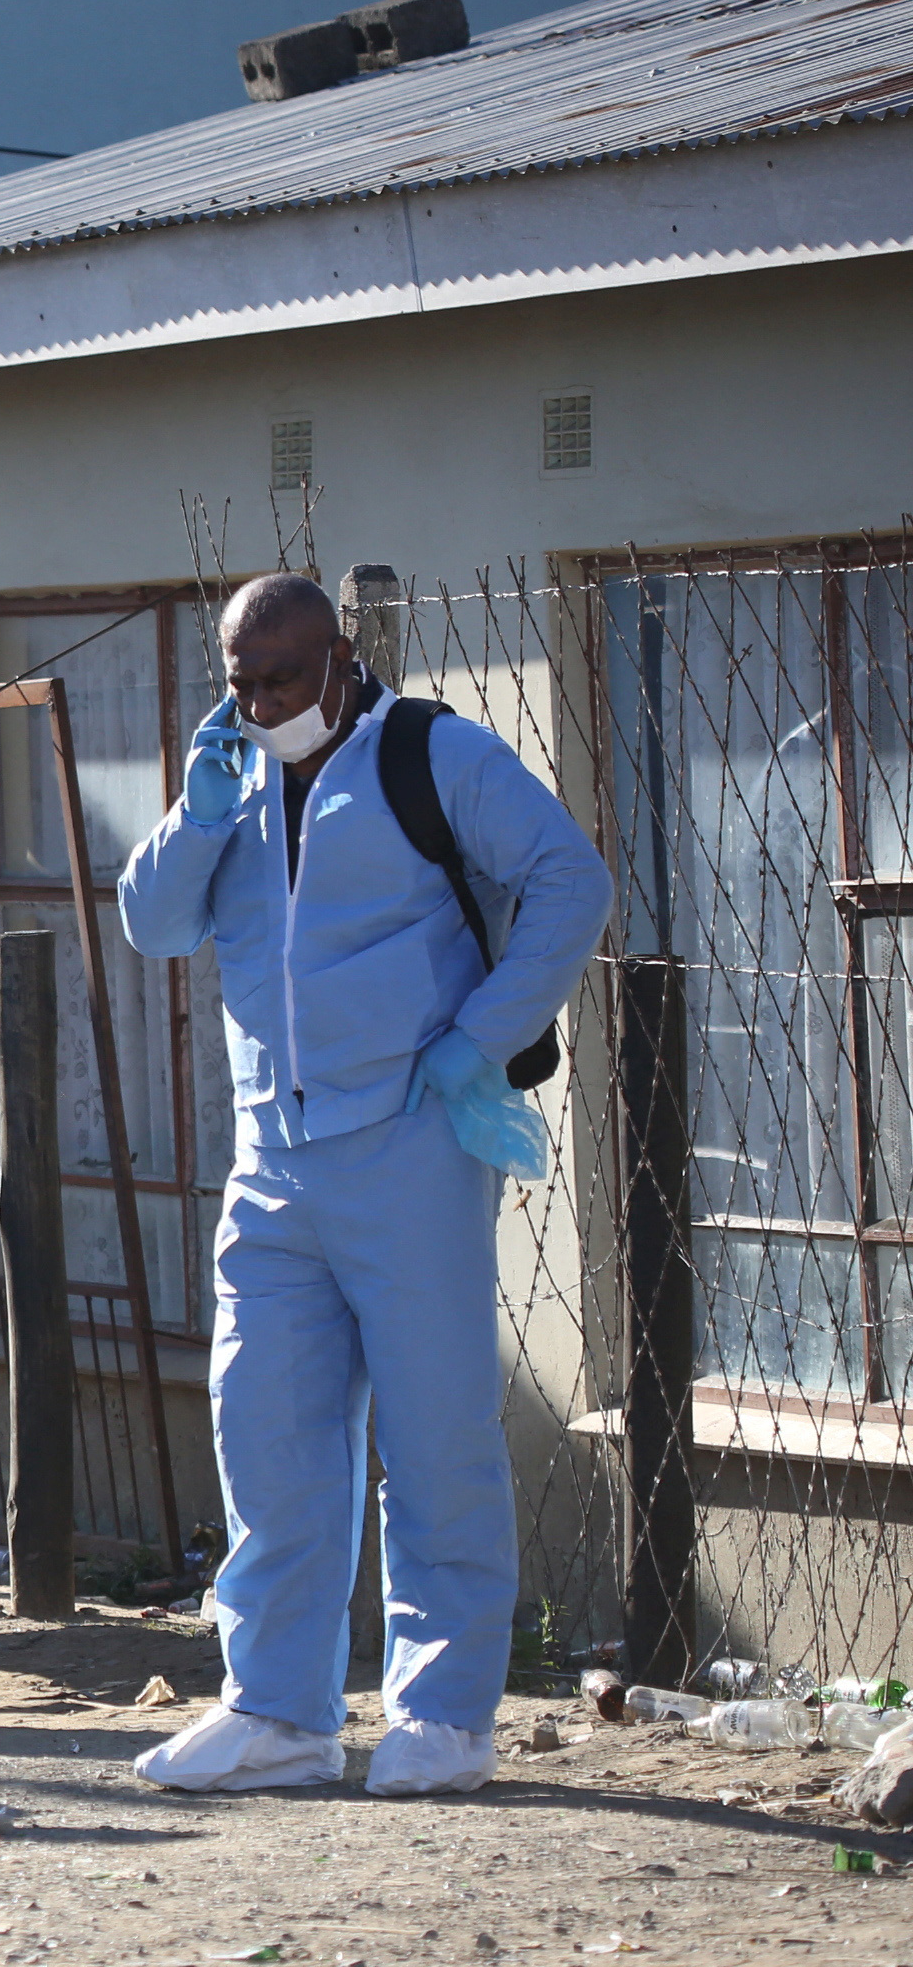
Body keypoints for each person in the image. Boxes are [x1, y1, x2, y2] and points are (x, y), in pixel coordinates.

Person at [114, 573, 608, 1798]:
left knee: (437, 1435)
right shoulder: (229, 774)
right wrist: (196, 815)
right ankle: (277, 1711)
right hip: (271, 1156)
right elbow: (152, 923)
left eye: (282, 678)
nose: (261, 703)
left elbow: (571, 879)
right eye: (241, 681)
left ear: (340, 658)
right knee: (266, 1434)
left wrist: (481, 1037)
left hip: (410, 1139)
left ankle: (444, 1716)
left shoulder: (431, 754)